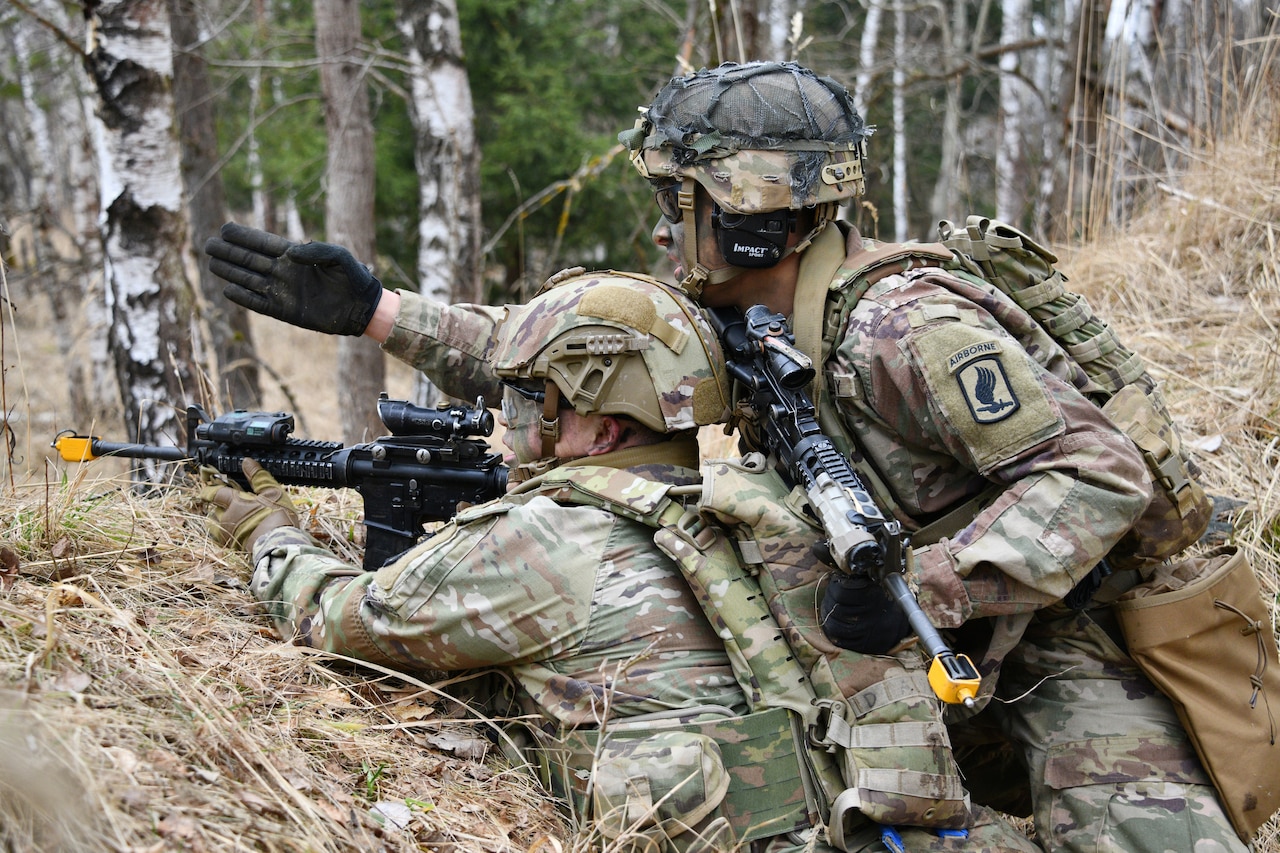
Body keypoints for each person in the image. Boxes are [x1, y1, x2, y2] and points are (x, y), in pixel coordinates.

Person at [202, 231, 1054, 851]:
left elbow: (331, 619)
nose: (517, 418)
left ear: (602, 427)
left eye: (537, 399)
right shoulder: (768, 500)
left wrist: (264, 522)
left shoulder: (546, 538)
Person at [617, 60, 1246, 851]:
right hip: (927, 638)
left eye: (678, 204)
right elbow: (573, 350)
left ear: (754, 216)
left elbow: (1099, 473)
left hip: (1064, 628)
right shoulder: (751, 315)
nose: (661, 232)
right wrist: (407, 319)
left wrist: (926, 587)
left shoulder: (905, 328)